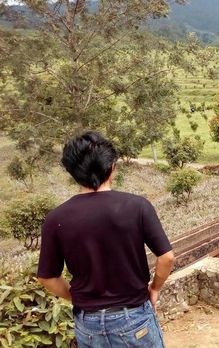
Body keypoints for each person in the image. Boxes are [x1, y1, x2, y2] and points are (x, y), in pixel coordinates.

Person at [37, 131, 174, 347]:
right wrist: (155, 289)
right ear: (112, 167)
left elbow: (47, 278)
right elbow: (166, 258)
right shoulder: (137, 206)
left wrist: (79, 298)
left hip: (87, 324)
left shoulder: (55, 219)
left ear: (72, 172)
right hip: (133, 318)